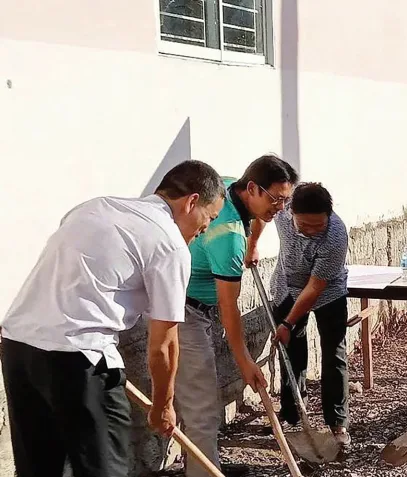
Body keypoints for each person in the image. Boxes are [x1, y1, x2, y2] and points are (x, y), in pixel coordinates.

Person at [0, 160, 226, 477]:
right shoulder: (169, 244)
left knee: (39, 468)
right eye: (209, 217)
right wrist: (163, 405)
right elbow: (164, 345)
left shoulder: (94, 207)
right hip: (81, 358)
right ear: (191, 202)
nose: (205, 229)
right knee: (103, 470)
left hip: (17, 347)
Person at [178, 154, 298, 477]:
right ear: (253, 189)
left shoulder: (229, 188)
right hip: (182, 310)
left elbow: (258, 219)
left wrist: (254, 243)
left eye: (285, 200)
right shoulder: (229, 237)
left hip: (197, 304)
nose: (281, 208)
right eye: (276, 199)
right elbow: (230, 308)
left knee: (199, 399)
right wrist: (245, 361)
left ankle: (204, 465)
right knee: (202, 405)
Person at [247, 182, 351, 447]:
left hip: (327, 292)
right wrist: (253, 244)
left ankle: (337, 423)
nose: (313, 231)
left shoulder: (336, 236)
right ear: (290, 211)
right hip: (286, 286)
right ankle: (293, 416)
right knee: (290, 350)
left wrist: (287, 322)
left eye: (319, 225)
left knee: (333, 354)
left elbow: (315, 287)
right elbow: (260, 215)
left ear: (329, 215)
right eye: (305, 225)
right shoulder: (281, 210)